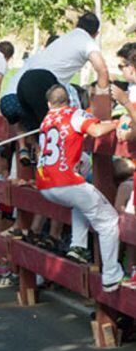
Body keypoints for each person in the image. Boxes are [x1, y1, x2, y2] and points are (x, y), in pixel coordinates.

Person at [36, 85, 135, 292]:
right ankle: (111, 275)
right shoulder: (73, 113)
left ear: (48, 103)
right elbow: (96, 130)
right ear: (69, 101)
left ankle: (78, 245)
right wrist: (116, 122)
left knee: (82, 203)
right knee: (108, 221)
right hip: (66, 182)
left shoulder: (46, 119)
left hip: (45, 184)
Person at [16, 12, 109, 132]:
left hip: (24, 81)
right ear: (96, 34)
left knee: (39, 131)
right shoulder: (87, 42)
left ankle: (34, 150)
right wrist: (103, 103)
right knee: (54, 131)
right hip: (43, 82)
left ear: (77, 25)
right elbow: (103, 70)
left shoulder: (67, 37)